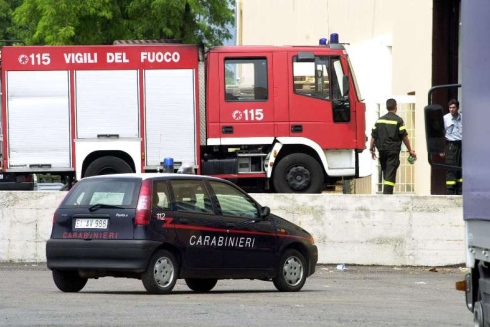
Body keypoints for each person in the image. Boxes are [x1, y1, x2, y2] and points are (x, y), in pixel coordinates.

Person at [369, 98, 417, 194]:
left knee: (386, 172)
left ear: (387, 107)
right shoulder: (398, 120)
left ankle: (386, 193)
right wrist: (410, 150)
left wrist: (371, 149)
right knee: (390, 174)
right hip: (393, 151)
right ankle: (387, 197)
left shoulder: (379, 120)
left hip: (382, 150)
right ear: (396, 107)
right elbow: (404, 137)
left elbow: (373, 136)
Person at [439, 99, 462, 195]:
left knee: (461, 168)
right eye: (450, 108)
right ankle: (450, 193)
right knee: (451, 168)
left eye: (453, 107)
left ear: (457, 108)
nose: (451, 110)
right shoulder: (445, 119)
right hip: (450, 146)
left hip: (461, 145)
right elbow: (440, 134)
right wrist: (441, 149)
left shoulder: (463, 118)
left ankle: (461, 192)